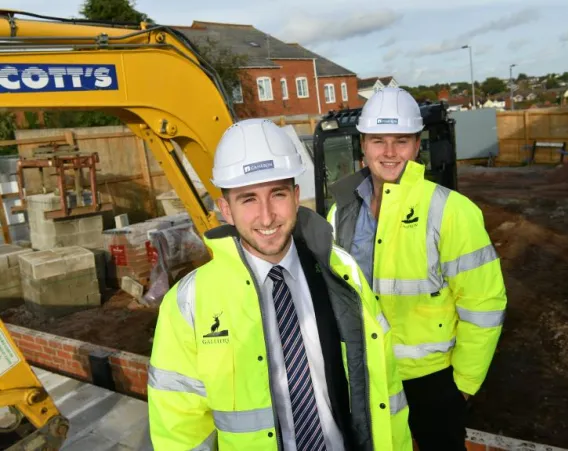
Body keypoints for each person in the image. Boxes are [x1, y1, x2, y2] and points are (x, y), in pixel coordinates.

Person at [147, 118, 413, 451]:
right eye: (248, 200)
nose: (267, 216)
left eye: (277, 194)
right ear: (225, 209)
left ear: (296, 195)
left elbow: (384, 387)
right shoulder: (189, 302)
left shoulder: (341, 272)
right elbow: (179, 429)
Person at [326, 87, 507, 451]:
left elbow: (484, 304)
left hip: (432, 381)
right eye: (378, 140)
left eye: (401, 141)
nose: (389, 152)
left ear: (416, 145)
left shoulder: (451, 211)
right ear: (363, 145)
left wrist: (462, 386)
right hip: (367, 375)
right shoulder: (339, 212)